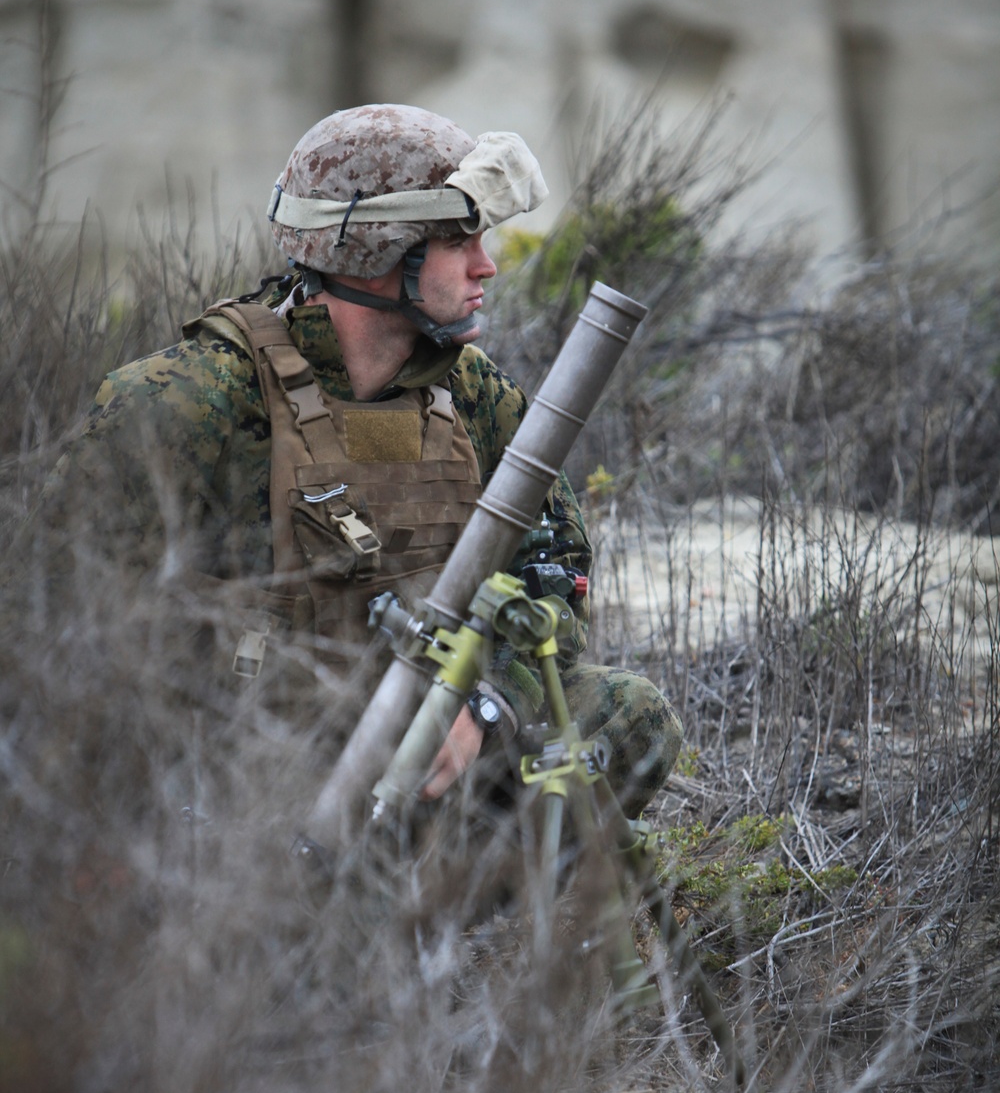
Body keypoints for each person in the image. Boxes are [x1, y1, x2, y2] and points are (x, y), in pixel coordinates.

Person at [36, 105, 681, 815]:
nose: (486, 265)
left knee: (628, 717)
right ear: (377, 251)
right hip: (242, 771)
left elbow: (553, 574)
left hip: (425, 748)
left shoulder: (471, 393)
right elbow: (58, 623)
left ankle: (436, 905)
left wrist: (482, 702)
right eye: (456, 241)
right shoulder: (188, 401)